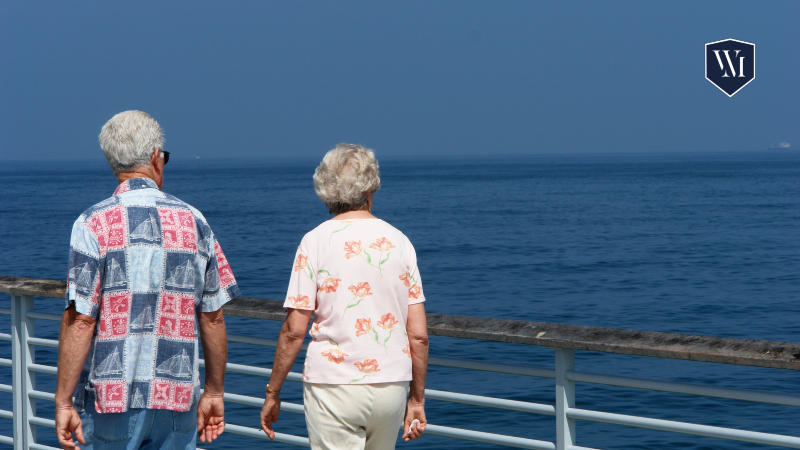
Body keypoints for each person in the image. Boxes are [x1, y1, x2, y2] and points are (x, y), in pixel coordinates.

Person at [55, 111, 240, 450]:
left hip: (116, 400)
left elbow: (81, 320)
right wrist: (214, 391)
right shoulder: (194, 220)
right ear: (156, 157)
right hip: (178, 398)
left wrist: (65, 402)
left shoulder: (93, 223)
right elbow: (212, 316)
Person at [260, 144, 429, 449]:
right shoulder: (400, 242)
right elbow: (418, 336)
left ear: (326, 189)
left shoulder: (314, 242)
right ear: (371, 187)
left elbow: (294, 331)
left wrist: (273, 392)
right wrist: (416, 399)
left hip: (333, 385)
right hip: (391, 385)